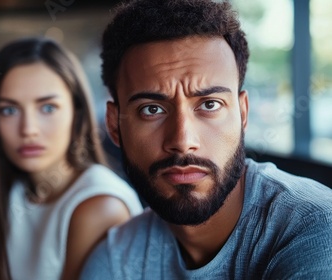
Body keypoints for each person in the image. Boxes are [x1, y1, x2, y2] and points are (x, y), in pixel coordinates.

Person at [81, 0, 332, 279]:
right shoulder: (117, 258)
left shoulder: (316, 228)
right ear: (114, 125)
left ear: (243, 114)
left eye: (210, 105)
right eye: (151, 109)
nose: (183, 140)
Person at [0, 37, 143, 280]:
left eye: (47, 108)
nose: (28, 129)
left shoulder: (99, 205)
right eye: (9, 110)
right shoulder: (8, 190)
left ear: (76, 113)